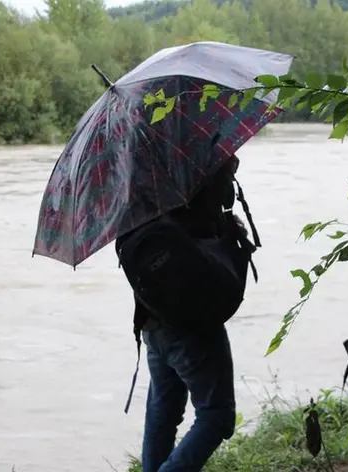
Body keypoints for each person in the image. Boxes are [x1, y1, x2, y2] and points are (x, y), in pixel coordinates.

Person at [119, 155, 245, 472]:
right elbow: (216, 213)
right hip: (193, 319)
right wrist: (226, 168)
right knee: (217, 415)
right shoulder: (193, 157)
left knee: (164, 411)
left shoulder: (132, 174)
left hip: (151, 317)